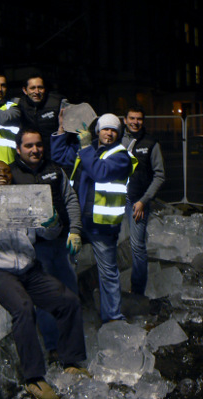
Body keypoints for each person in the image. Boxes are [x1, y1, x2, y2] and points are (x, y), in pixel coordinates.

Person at [0, 161, 88, 399]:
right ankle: (34, 378)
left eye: (6, 171)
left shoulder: (25, 201)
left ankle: (71, 362)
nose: (2, 175)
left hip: (29, 270)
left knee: (68, 300)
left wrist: (52, 223)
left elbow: (48, 233)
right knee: (23, 307)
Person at [51, 113, 137, 322]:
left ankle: (113, 317)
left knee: (108, 274)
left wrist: (87, 147)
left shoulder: (121, 156)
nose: (109, 133)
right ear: (98, 131)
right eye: (105, 129)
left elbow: (100, 172)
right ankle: (70, 312)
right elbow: (59, 156)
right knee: (67, 266)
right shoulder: (87, 150)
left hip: (102, 227)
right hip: (79, 223)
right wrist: (61, 130)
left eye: (113, 130)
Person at [9, 127, 82, 361]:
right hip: (32, 249)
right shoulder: (10, 175)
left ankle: (73, 350)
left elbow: (71, 200)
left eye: (38, 145)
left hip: (60, 243)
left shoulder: (55, 170)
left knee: (70, 294)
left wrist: (76, 231)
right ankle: (53, 347)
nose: (35, 150)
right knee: (45, 300)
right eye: (29, 146)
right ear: (18, 149)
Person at [121, 105, 165, 296]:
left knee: (137, 246)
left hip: (138, 201)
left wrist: (143, 201)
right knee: (113, 243)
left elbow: (159, 175)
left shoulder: (151, 143)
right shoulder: (117, 140)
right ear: (125, 120)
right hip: (116, 200)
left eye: (139, 119)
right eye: (131, 118)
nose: (135, 122)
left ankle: (137, 291)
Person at [17, 74, 65, 159]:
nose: (37, 91)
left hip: (57, 153)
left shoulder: (57, 102)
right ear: (25, 90)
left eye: (40, 87)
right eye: (32, 88)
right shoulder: (21, 105)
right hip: (35, 154)